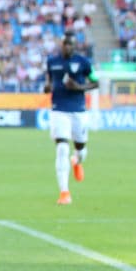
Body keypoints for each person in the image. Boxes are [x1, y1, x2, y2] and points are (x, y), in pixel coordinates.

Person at [44, 32, 97, 205]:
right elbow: (49, 81)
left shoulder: (83, 62)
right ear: (61, 44)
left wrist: (79, 86)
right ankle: (64, 192)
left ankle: (77, 161)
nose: (67, 46)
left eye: (70, 44)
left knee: (80, 148)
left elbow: (95, 82)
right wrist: (47, 86)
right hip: (59, 109)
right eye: (65, 43)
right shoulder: (52, 62)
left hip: (78, 111)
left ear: (75, 45)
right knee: (61, 148)